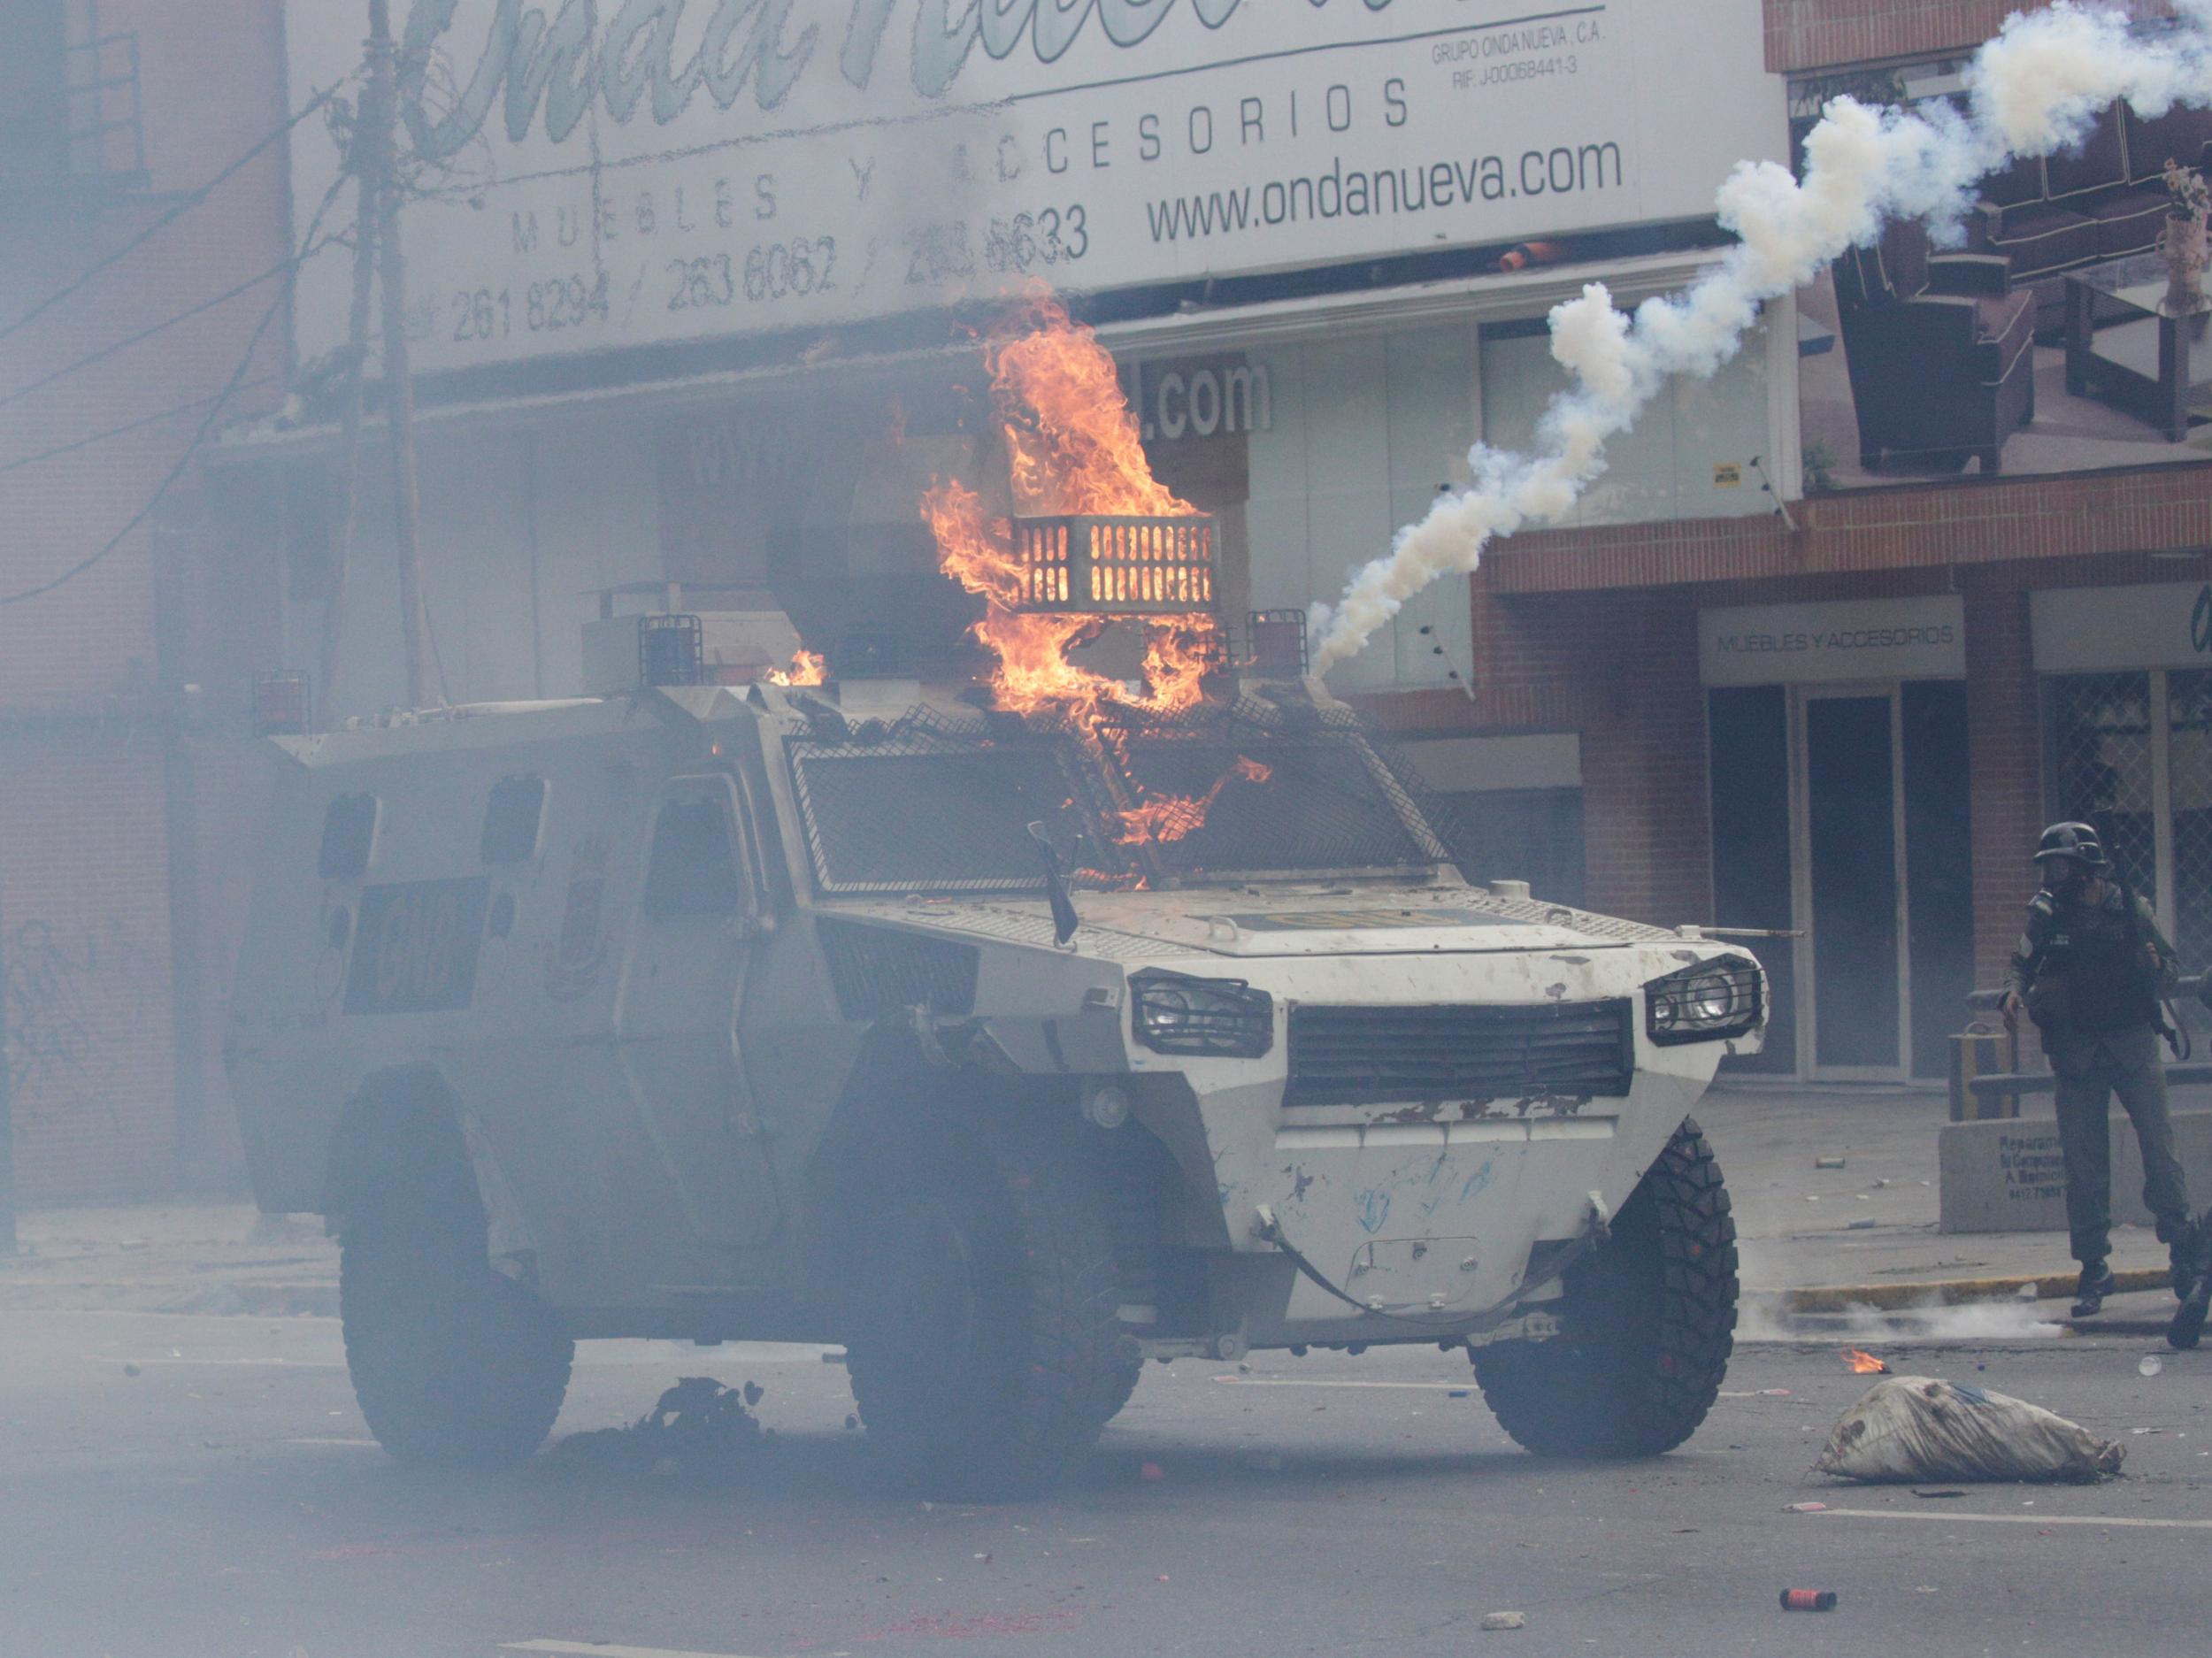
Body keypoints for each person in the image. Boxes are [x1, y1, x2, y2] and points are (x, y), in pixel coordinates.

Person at [2002, 822, 2208, 1332]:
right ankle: (2094, 1268)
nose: (2052, 874)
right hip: (2076, 1051)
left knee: (2160, 1152)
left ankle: (2184, 1254)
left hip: (2131, 1044)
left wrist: (2151, 963)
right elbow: (2020, 964)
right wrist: (2012, 991)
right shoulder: (2046, 916)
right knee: (2084, 1164)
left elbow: (2168, 971)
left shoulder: (2129, 909)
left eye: (2060, 864)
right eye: (2048, 865)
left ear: (2086, 866)